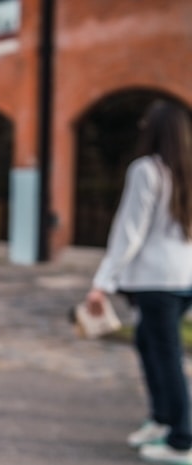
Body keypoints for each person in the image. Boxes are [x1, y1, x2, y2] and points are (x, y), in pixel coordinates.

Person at [85, 99, 192, 464]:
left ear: (154, 131)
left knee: (166, 357)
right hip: (182, 280)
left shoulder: (146, 170)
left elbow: (129, 232)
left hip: (155, 280)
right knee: (150, 345)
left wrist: (103, 282)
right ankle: (162, 420)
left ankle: (182, 441)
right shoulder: (185, 172)